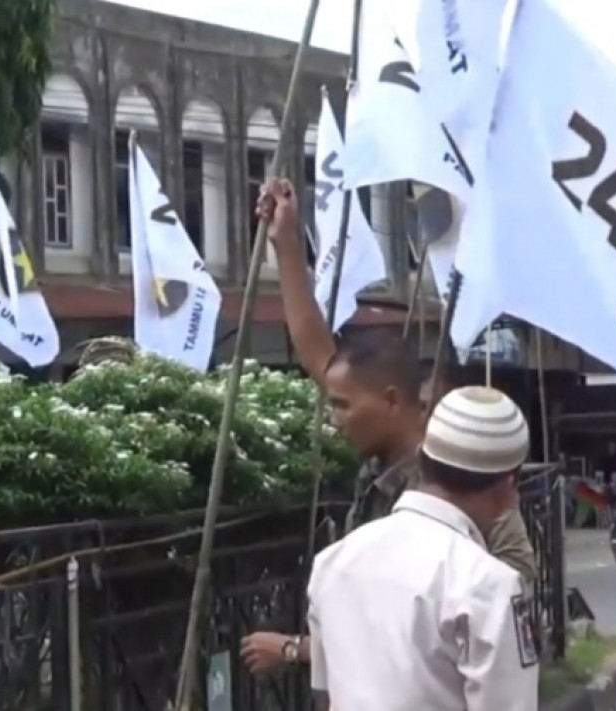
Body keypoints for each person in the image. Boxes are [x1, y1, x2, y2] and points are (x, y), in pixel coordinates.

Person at [239, 177, 537, 675]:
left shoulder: (456, 476)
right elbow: (318, 351)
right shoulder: (382, 467)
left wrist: (301, 649)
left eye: (343, 407)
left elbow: (499, 608)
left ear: (393, 401)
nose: (333, 420)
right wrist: (286, 244)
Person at [307, 385, 540, 710]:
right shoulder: (488, 585)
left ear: (425, 461)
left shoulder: (332, 563)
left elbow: (328, 697)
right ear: (507, 487)